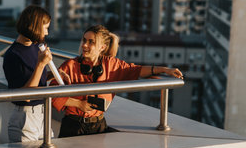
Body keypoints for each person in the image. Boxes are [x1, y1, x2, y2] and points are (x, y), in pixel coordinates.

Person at [52, 25, 183, 138]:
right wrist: (79, 104)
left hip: (99, 126)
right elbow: (52, 95)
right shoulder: (69, 65)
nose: (85, 45)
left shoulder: (111, 65)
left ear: (102, 47)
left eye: (91, 42)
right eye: (84, 40)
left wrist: (165, 70)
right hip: (72, 126)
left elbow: (136, 70)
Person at [3, 5, 69, 143]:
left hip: (43, 114)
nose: (46, 33)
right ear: (35, 26)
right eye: (45, 28)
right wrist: (41, 64)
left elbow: (36, 77)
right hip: (25, 117)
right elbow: (25, 95)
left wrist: (55, 74)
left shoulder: (35, 47)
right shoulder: (13, 55)